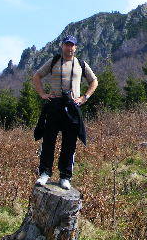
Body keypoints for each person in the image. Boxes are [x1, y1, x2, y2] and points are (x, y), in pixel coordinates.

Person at [31, 35, 98, 190]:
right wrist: (42, 94)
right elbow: (37, 76)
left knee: (70, 142)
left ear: (76, 47)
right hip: (54, 104)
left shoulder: (81, 64)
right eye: (67, 45)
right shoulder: (54, 61)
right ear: (62, 46)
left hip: (73, 106)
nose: (69, 48)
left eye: (72, 45)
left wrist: (85, 97)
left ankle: (65, 176)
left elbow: (94, 81)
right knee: (48, 140)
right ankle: (44, 173)